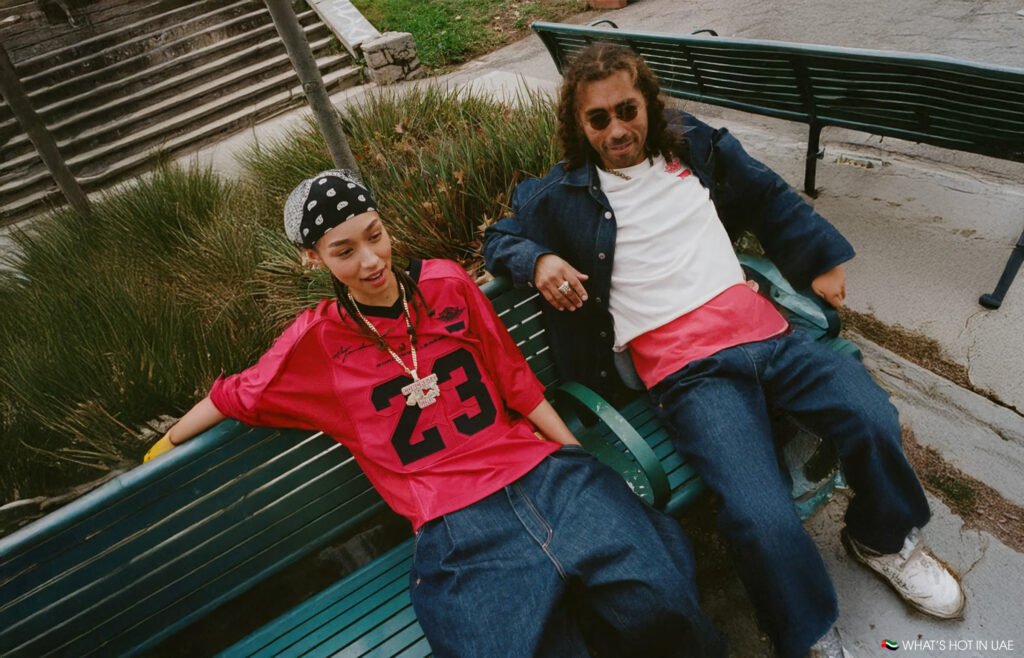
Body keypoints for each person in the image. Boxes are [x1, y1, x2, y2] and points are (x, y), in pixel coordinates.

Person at [483, 43, 966, 658]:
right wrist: (538, 259)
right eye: (598, 119)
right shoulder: (561, 196)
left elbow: (765, 194)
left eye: (627, 110)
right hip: (690, 374)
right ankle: (807, 633)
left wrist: (819, 258)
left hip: (768, 336)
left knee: (872, 415)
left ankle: (882, 537)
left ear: (647, 104)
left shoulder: (693, 146)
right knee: (761, 516)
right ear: (579, 126)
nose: (617, 129)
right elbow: (499, 238)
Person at [143, 169, 724, 658]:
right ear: (312, 258)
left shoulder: (446, 283)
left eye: (375, 235)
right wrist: (162, 445)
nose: (370, 260)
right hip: (454, 525)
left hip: (542, 473)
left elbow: (515, 381)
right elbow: (231, 395)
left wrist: (571, 456)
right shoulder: (315, 345)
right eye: (344, 251)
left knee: (661, 597)